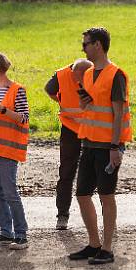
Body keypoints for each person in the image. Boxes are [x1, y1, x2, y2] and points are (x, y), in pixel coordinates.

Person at [68, 27, 132, 265]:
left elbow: (118, 114)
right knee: (82, 194)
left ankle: (107, 248)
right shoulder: (88, 74)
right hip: (89, 142)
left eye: (85, 44)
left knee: (106, 196)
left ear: (98, 45)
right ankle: (93, 244)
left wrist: (115, 147)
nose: (82, 48)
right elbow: (92, 108)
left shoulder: (116, 75)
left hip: (108, 146)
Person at [0, 52, 31, 250]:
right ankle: (5, 232)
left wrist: (3, 110)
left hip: (8, 150)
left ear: (3, 70)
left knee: (10, 193)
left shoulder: (18, 90)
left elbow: (24, 118)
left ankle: (21, 234)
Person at [44, 58, 93, 230]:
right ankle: (62, 215)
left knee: (95, 173)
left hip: (92, 129)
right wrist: (61, 100)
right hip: (70, 128)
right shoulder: (61, 75)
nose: (81, 83)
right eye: (79, 79)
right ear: (73, 73)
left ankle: (100, 217)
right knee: (66, 173)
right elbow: (49, 90)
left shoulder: (96, 73)